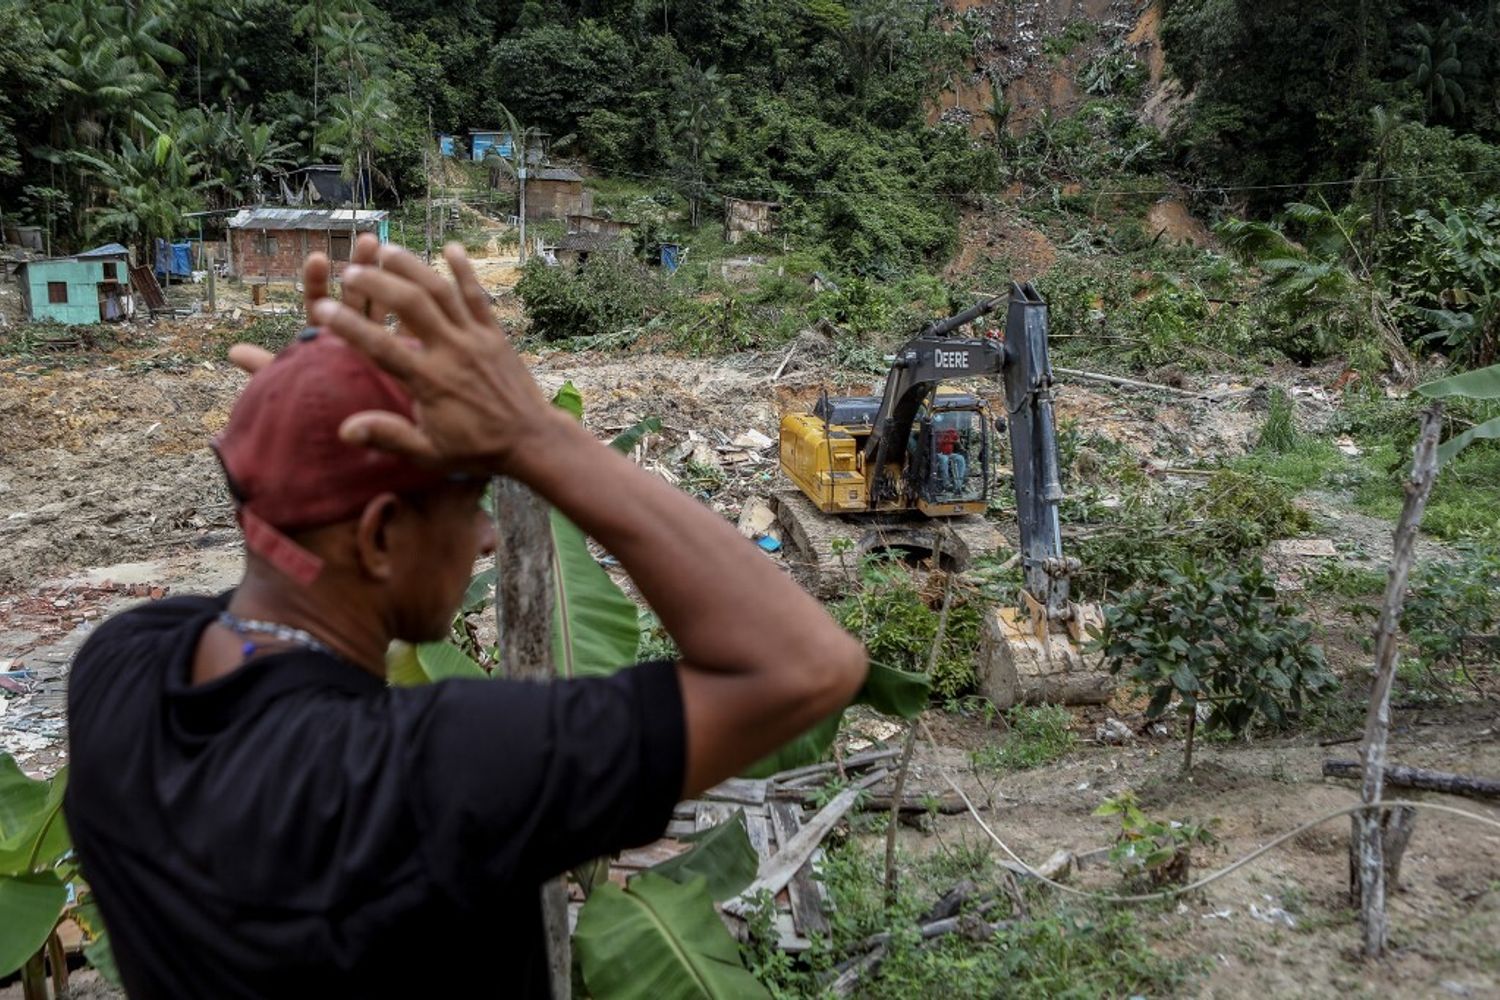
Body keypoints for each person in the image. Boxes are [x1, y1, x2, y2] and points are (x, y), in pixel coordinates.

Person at [63, 236, 868, 998]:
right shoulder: (440, 774)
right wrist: (534, 434)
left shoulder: (121, 672)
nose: (487, 534)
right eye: (473, 496)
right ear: (380, 537)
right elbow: (808, 665)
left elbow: (283, 552)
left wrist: (305, 416)